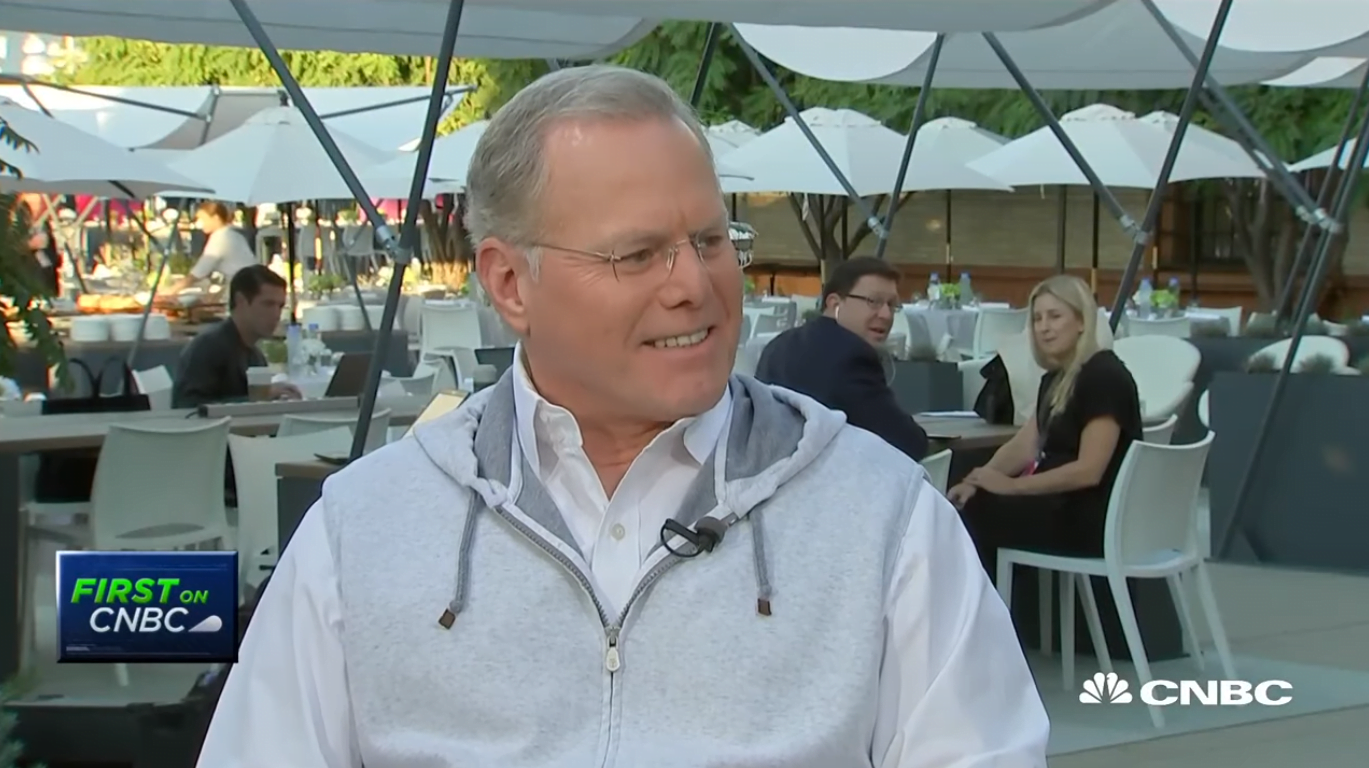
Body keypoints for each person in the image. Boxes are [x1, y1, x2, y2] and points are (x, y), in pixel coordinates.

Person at [197, 66, 1047, 768]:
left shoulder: (884, 518)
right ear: (509, 284)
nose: (695, 285)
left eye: (711, 242)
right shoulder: (362, 532)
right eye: (637, 254)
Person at [948, 275, 1143, 578]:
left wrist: (1012, 486)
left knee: (967, 517)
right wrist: (977, 481)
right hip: (1062, 507)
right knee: (964, 504)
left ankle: (991, 607)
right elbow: (1024, 445)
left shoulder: (1103, 376)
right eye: (1037, 319)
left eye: (1055, 316)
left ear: (1082, 321)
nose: (1044, 327)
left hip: (1091, 518)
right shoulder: (1058, 378)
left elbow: (1089, 470)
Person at [755, 257, 930, 460]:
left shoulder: (778, 345)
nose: (886, 315)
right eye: (873, 302)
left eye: (891, 305)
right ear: (834, 304)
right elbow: (908, 443)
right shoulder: (853, 355)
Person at [171, 265, 300, 409]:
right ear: (241, 301)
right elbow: (187, 407)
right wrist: (259, 398)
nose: (276, 314)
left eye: (280, 306)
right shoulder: (208, 348)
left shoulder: (255, 356)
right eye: (268, 304)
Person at [164, 201, 256, 295]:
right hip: (251, 284)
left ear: (216, 218)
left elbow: (198, 273)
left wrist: (170, 291)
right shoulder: (234, 234)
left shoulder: (220, 238)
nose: (199, 223)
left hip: (244, 290)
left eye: (202, 219)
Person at [18, 193, 61, 297]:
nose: (36, 209)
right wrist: (28, 245)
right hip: (25, 278)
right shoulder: (17, 225)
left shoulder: (45, 225)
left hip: (47, 278)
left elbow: (54, 256)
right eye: (31, 205)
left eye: (39, 205)